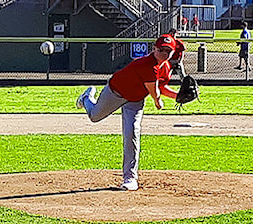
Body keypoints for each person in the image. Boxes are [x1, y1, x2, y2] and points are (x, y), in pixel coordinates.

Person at [74, 34, 179, 192]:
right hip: (115, 92)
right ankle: (87, 98)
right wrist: (159, 102)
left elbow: (161, 88)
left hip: (135, 100)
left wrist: (178, 96)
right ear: (154, 49)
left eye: (168, 51)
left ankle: (130, 178)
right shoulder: (147, 65)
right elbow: (155, 93)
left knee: (132, 133)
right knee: (94, 116)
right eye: (161, 50)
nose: (164, 54)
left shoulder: (165, 67)